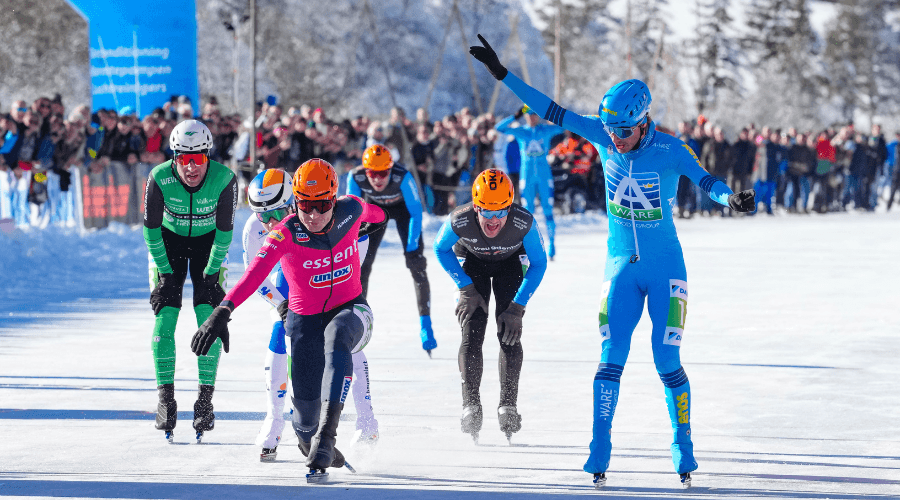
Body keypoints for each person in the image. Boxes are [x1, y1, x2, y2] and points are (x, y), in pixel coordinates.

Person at [470, 35, 756, 488]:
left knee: (666, 359)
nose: (614, 139)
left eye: (623, 131)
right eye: (609, 131)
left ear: (643, 123)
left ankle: (683, 447)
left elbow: (707, 181)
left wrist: (730, 199)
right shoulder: (604, 135)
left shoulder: (671, 150)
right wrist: (503, 75)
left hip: (666, 270)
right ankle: (599, 448)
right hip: (620, 268)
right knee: (610, 357)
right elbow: (550, 109)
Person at [191, 159, 387, 480]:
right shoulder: (284, 232)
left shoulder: (351, 210)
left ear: (334, 199)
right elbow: (254, 275)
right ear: (295, 202)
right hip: (304, 321)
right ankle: (311, 438)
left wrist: (372, 224)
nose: (313, 215)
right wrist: (222, 312)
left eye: (322, 205)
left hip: (352, 310)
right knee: (304, 424)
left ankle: (330, 437)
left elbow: (377, 214)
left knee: (339, 336)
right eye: (305, 205)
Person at [243, 169, 381, 462]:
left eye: (278, 212)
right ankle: (274, 421)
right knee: (280, 335)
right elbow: (254, 276)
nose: (270, 222)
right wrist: (280, 304)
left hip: (333, 269)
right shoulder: (255, 230)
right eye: (262, 215)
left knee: (344, 338)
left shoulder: (330, 214)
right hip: (287, 275)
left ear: (295, 202)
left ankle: (367, 419)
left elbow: (354, 261)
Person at [433, 169, 548, 443]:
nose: (494, 220)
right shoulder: (459, 219)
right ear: (476, 206)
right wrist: (465, 287)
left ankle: (508, 405)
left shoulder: (523, 222)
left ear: (510, 206)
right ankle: (470, 404)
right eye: (486, 211)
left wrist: (518, 307)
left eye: (500, 211)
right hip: (471, 264)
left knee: (509, 332)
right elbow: (440, 249)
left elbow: (539, 263)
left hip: (511, 264)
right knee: (472, 330)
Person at [142, 119, 237, 443]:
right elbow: (150, 232)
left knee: (208, 317)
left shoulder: (225, 179)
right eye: (184, 158)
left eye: (198, 158)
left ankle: (205, 401)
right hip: (167, 243)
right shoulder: (159, 177)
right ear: (175, 157)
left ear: (208, 156)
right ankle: (165, 400)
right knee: (165, 315)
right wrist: (165, 273)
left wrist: (211, 274)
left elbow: (224, 235)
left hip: (208, 245)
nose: (191, 167)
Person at [347, 144, 436, 355]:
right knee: (361, 266)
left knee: (416, 265)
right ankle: (356, 318)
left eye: (383, 173)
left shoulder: (402, 176)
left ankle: (426, 325)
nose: (377, 179)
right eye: (372, 173)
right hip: (374, 210)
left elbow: (416, 213)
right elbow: (351, 213)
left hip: (404, 212)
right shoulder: (356, 177)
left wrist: (412, 247)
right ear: (365, 171)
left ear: (390, 169)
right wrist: (352, 241)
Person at [495, 106, 561, 259]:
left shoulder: (545, 130)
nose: (532, 117)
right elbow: (499, 128)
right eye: (529, 115)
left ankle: (552, 243)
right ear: (525, 117)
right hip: (527, 176)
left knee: (548, 210)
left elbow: (563, 127)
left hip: (544, 176)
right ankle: (527, 246)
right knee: (527, 211)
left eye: (535, 114)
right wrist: (516, 115)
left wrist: (551, 116)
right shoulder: (521, 131)